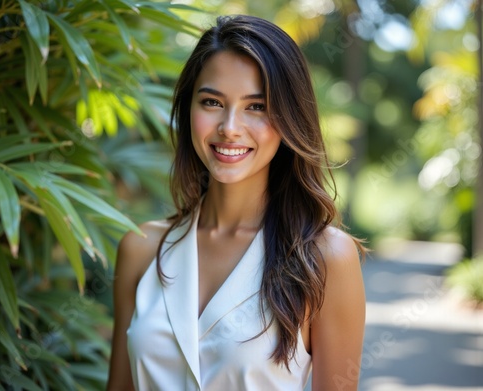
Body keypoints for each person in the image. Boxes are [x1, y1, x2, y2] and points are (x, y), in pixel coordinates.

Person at [107, 14, 366, 391]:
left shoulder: (326, 258)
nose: (229, 126)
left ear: (290, 118)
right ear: (187, 109)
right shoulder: (140, 249)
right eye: (212, 101)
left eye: (256, 106)